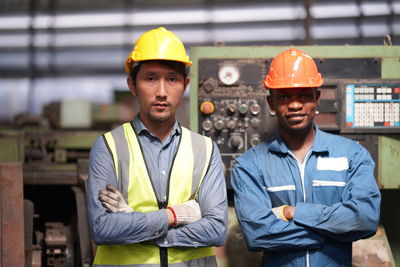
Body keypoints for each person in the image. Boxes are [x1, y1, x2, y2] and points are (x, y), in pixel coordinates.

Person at [87, 27, 228, 267]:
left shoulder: (204, 149)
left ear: (185, 85)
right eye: (151, 78)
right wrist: (175, 216)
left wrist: (133, 223)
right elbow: (103, 229)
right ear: (132, 85)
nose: (161, 92)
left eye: (171, 79)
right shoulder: (108, 147)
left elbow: (215, 230)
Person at [231, 48, 381, 267]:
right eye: (284, 97)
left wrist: (294, 212)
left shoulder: (352, 154)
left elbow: (365, 219)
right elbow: (258, 234)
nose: (294, 104)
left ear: (316, 98)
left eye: (303, 95)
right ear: (271, 103)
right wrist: (331, 233)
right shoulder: (250, 165)